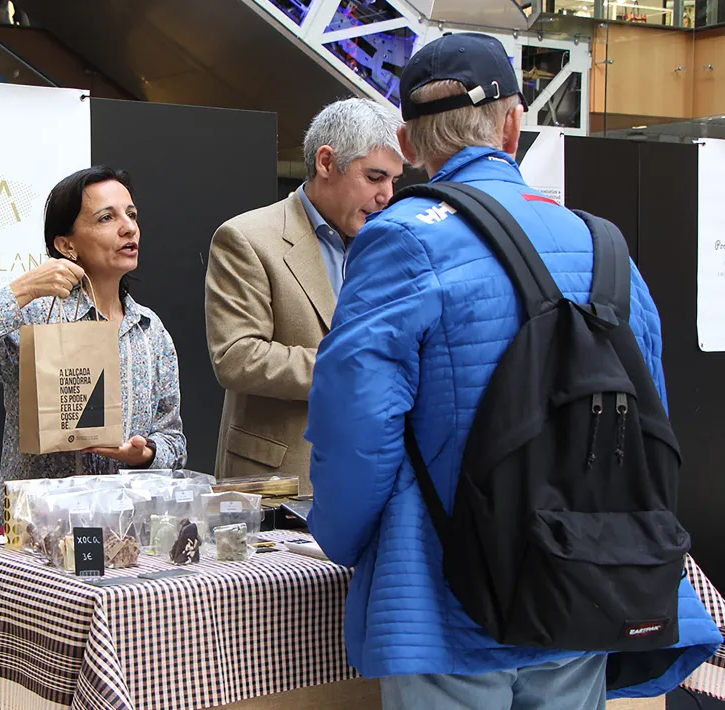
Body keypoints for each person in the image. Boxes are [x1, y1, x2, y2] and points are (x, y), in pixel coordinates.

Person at [305, 33, 721, 709]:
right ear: (513, 123)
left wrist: (345, 539)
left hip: (444, 599)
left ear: (408, 146)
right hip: (579, 585)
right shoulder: (600, 241)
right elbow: (650, 422)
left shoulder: (403, 236)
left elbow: (356, 420)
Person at [0, 166, 187, 519]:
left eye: (131, 214)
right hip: (37, 534)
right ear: (66, 245)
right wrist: (22, 291)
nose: (128, 226)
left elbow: (174, 442)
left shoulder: (149, 330)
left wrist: (146, 453)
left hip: (125, 534)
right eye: (107, 217)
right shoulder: (36, 319)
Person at [204, 98, 404, 493]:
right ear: (326, 163)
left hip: (376, 476)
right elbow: (237, 357)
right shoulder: (246, 238)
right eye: (376, 177)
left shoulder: (391, 245)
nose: (388, 195)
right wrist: (354, 368)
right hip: (281, 481)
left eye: (394, 180)